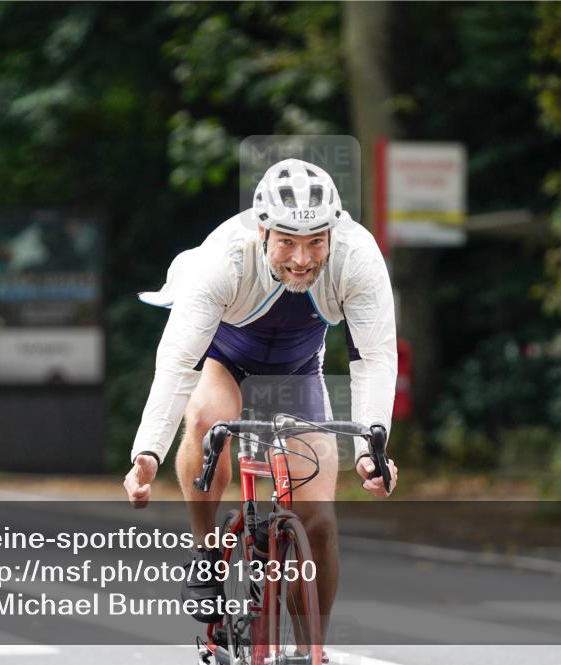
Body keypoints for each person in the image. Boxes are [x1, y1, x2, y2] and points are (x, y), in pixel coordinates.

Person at [123, 159, 399, 652]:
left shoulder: (357, 255)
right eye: (288, 242)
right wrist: (146, 454)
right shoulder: (223, 257)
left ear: (333, 233)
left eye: (316, 242)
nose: (301, 258)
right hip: (225, 358)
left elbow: (374, 357)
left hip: (297, 372)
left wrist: (371, 450)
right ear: (263, 230)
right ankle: (207, 549)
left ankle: (310, 647)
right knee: (209, 418)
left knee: (317, 522)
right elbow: (177, 367)